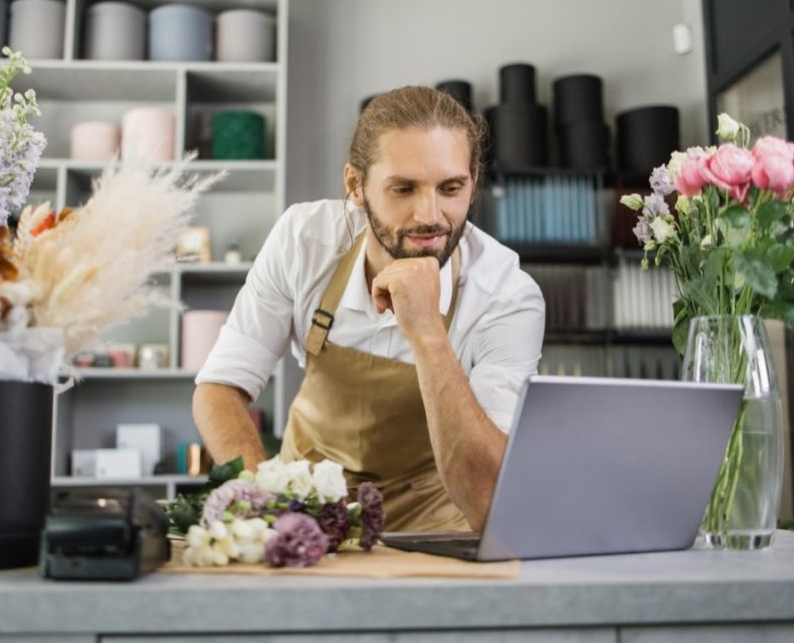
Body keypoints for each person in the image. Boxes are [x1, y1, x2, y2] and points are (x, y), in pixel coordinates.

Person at [193, 86, 545, 532]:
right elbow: (219, 389)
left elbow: (489, 496)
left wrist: (428, 334)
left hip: (436, 528)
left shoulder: (507, 297)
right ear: (356, 185)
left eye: (451, 188)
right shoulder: (304, 242)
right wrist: (265, 506)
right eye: (403, 188)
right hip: (306, 514)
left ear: (473, 181)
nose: (429, 215)